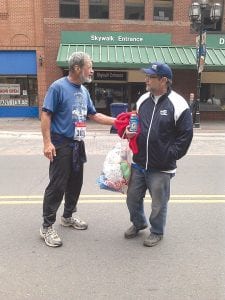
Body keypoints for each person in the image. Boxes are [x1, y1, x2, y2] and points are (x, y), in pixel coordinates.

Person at [40, 51, 115, 247]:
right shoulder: (58, 87)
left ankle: (67, 216)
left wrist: (118, 121)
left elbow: (94, 115)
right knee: (57, 185)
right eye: (89, 66)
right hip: (61, 142)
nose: (92, 70)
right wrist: (47, 143)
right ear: (77, 68)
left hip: (77, 144)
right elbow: (46, 115)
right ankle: (47, 226)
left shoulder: (83, 91)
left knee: (75, 183)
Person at [124, 62, 193, 247]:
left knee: (158, 204)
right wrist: (130, 133)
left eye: (151, 77)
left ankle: (156, 231)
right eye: (146, 76)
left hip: (162, 167)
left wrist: (170, 154)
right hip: (139, 162)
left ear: (163, 80)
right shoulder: (143, 100)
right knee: (132, 198)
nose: (146, 79)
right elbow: (135, 124)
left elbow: (186, 135)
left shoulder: (178, 104)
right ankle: (138, 223)